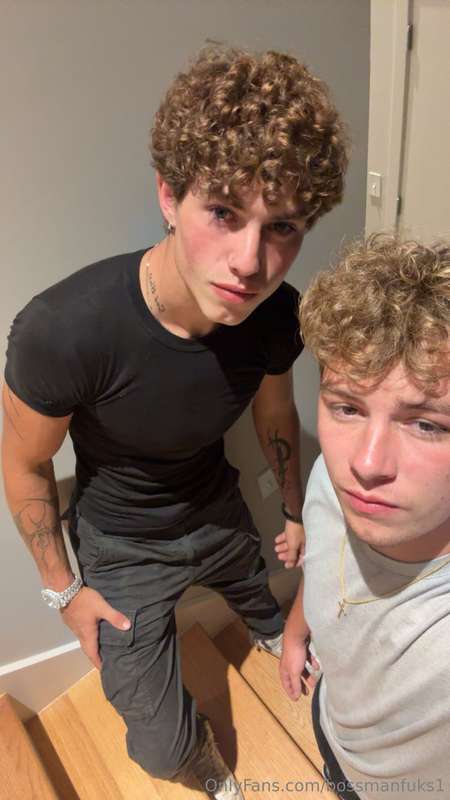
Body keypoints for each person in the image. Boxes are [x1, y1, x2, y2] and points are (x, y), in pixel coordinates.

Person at [2, 46, 347, 799]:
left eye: (282, 227)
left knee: (262, 595)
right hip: (123, 543)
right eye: (223, 212)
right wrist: (64, 592)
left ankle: (263, 624)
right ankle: (197, 759)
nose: (251, 262)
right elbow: (24, 463)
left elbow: (275, 409)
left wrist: (293, 510)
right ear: (168, 194)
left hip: (218, 505)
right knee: (159, 753)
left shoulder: (275, 315)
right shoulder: (63, 331)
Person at [280, 234, 450, 800]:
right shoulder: (331, 480)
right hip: (332, 730)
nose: (366, 464)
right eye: (347, 407)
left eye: (426, 423)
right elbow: (324, 560)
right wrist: (298, 631)